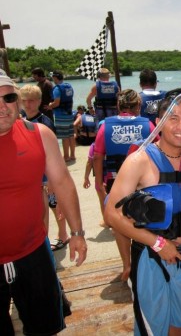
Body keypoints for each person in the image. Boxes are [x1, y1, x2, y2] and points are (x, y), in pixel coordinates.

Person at [104, 88, 181, 335]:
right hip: (150, 256)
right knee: (153, 328)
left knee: (178, 323)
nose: (180, 126)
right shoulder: (139, 161)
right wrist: (158, 243)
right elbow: (111, 214)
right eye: (172, 118)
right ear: (158, 122)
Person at [0, 74, 87, 335]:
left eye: (9, 97)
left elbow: (62, 182)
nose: (3, 106)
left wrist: (77, 233)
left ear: (18, 101)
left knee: (44, 327)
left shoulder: (40, 134)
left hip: (33, 252)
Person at [93, 89, 155, 280]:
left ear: (118, 106)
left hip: (115, 181)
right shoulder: (148, 125)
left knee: (120, 224)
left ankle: (127, 265)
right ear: (138, 106)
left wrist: (97, 182)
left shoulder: (105, 126)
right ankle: (148, 259)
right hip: (142, 182)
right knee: (144, 219)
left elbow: (97, 155)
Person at [19, 84, 70, 251]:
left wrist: (51, 180)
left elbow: (52, 153)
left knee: (56, 207)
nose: (28, 105)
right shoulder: (20, 121)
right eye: (24, 101)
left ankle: (63, 235)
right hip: (32, 174)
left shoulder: (44, 122)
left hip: (46, 174)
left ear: (39, 101)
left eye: (32, 101)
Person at [50, 70, 76, 162]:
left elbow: (56, 103)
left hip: (61, 115)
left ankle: (66, 156)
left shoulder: (57, 89)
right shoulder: (69, 86)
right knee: (71, 136)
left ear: (55, 78)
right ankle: (73, 155)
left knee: (65, 137)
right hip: (69, 114)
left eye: (53, 78)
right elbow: (71, 100)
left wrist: (50, 106)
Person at [84, 142, 107, 227]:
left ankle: (106, 220)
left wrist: (86, 178)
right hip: (114, 175)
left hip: (100, 177)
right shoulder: (115, 143)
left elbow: (90, 162)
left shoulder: (94, 146)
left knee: (102, 200)